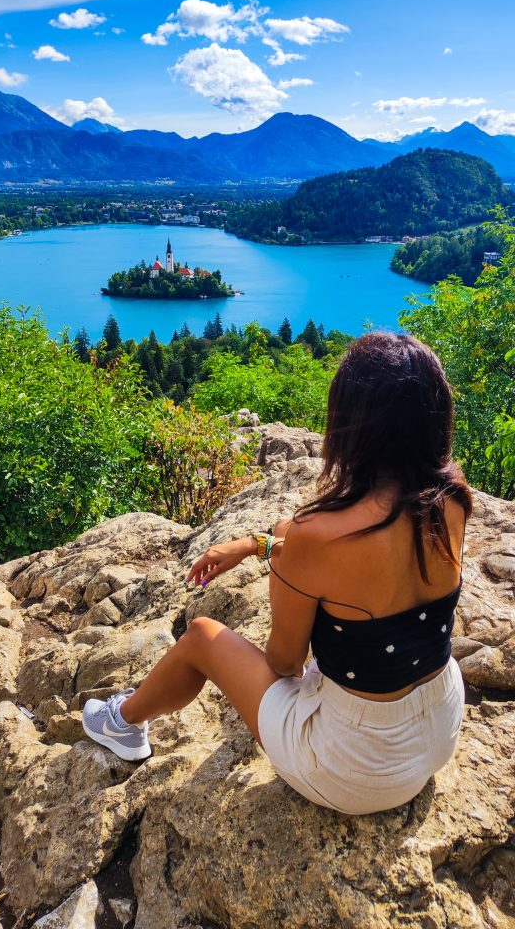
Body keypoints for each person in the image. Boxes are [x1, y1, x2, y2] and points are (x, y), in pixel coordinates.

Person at [82, 332, 471, 815]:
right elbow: (368, 560)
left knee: (202, 636)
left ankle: (121, 724)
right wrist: (256, 545)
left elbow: (286, 663)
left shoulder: (316, 534)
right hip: (437, 729)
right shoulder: (451, 500)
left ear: (352, 425)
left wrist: (280, 555)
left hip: (356, 770)